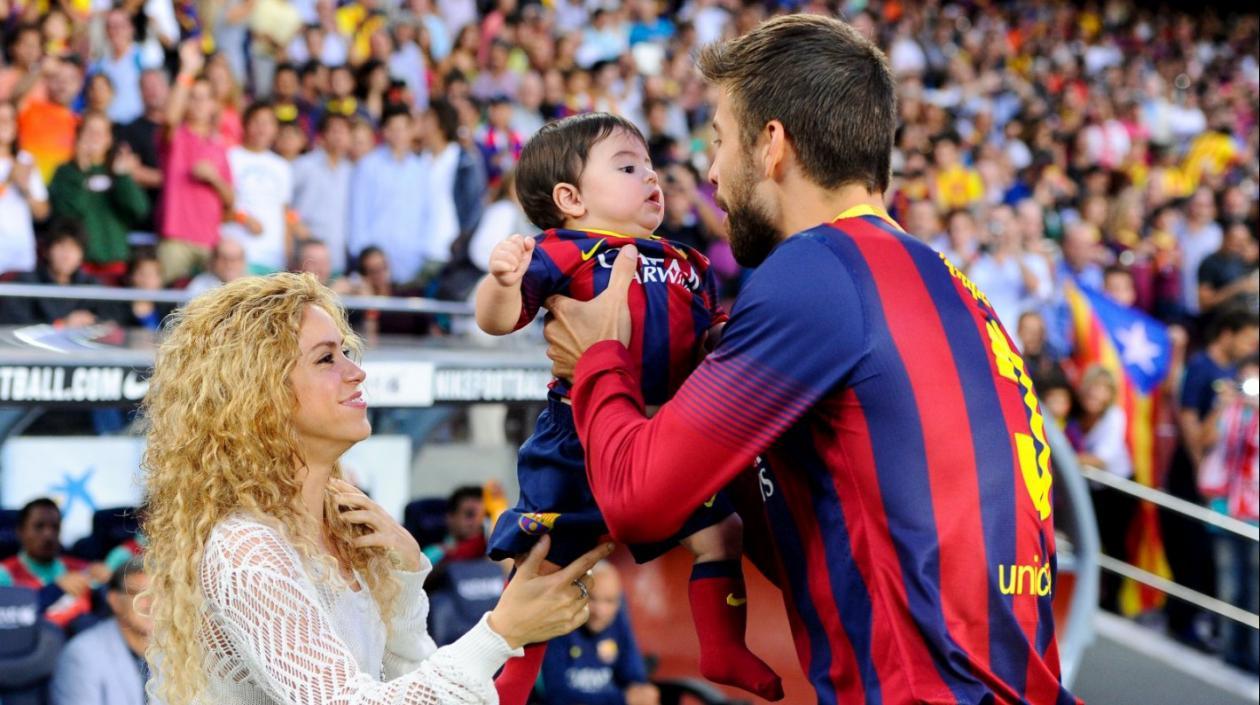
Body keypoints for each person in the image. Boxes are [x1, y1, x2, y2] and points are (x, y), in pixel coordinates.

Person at [542, 15, 1076, 705]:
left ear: (771, 145)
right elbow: (843, 540)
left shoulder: (817, 271)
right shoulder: (952, 285)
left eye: (719, 140)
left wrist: (598, 360)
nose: (710, 172)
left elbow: (638, 501)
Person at [140, 272, 611, 705]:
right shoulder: (246, 547)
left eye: (346, 352)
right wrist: (502, 631)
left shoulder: (345, 527)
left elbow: (410, 681)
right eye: (326, 358)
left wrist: (406, 574)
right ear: (261, 394)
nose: (356, 371)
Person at [475, 112, 780, 703]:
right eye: (627, 167)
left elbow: (711, 335)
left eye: (649, 165)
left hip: (666, 429)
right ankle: (507, 685)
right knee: (543, 567)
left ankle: (723, 646)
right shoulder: (560, 252)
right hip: (578, 430)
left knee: (722, 533)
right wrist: (502, 282)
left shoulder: (688, 261)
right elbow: (498, 321)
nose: (651, 177)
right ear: (570, 199)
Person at [157, 41, 234, 284]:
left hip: (210, 241)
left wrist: (214, 179)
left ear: (213, 105)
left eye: (205, 98)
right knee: (166, 302)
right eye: (193, 97)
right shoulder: (177, 136)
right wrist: (187, 71)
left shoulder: (219, 146)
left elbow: (231, 199)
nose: (199, 104)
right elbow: (169, 119)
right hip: (175, 238)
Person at [48, 111, 150, 284]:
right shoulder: (66, 172)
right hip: (80, 266)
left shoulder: (118, 171)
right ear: (79, 136)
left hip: (117, 264)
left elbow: (139, 209)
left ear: (109, 139)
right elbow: (68, 213)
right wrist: (81, 170)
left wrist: (123, 177)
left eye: (101, 132)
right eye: (89, 131)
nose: (95, 137)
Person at [539, 561, 660, 705]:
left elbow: (635, 679)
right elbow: (557, 695)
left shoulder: (618, 620)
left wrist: (643, 694)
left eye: (609, 601)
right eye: (592, 598)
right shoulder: (558, 627)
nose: (601, 611)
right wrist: (621, 699)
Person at [348, 105, 433, 285]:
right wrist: (363, 256)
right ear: (385, 132)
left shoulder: (421, 169)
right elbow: (358, 213)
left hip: (411, 263)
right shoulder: (368, 166)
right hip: (374, 263)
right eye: (394, 129)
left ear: (411, 131)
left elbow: (425, 214)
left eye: (403, 128)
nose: (399, 135)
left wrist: (422, 251)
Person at [49, 557, 152, 705]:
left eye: (160, 593)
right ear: (115, 601)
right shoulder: (82, 655)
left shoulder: (173, 647)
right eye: (140, 595)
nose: (152, 604)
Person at [220, 100, 294, 274]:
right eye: (257, 122)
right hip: (237, 256)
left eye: (268, 123)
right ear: (245, 125)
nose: (262, 128)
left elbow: (285, 213)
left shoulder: (282, 166)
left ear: (275, 129)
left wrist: (288, 253)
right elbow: (219, 207)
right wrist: (244, 218)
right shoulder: (230, 157)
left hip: (274, 258)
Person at [0, 498, 98, 629]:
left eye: (55, 527)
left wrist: (108, 576)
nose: (48, 535)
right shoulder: (4, 574)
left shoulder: (81, 568)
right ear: (20, 532)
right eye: (39, 526)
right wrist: (56, 589)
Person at [291, 112, 354, 275]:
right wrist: (295, 224)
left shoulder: (351, 171)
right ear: (322, 135)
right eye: (334, 131)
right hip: (307, 254)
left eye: (344, 131)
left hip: (336, 256)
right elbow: (283, 203)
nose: (339, 136)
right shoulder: (304, 165)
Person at [0, 99, 49, 275]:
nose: (4, 124)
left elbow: (42, 213)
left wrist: (25, 188)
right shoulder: (19, 167)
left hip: (21, 252)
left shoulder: (25, 160)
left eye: (9, 119)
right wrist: (9, 180)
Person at [421, 485, 487, 568]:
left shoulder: (488, 547)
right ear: (450, 518)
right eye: (470, 514)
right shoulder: (434, 554)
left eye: (484, 516)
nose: (479, 522)